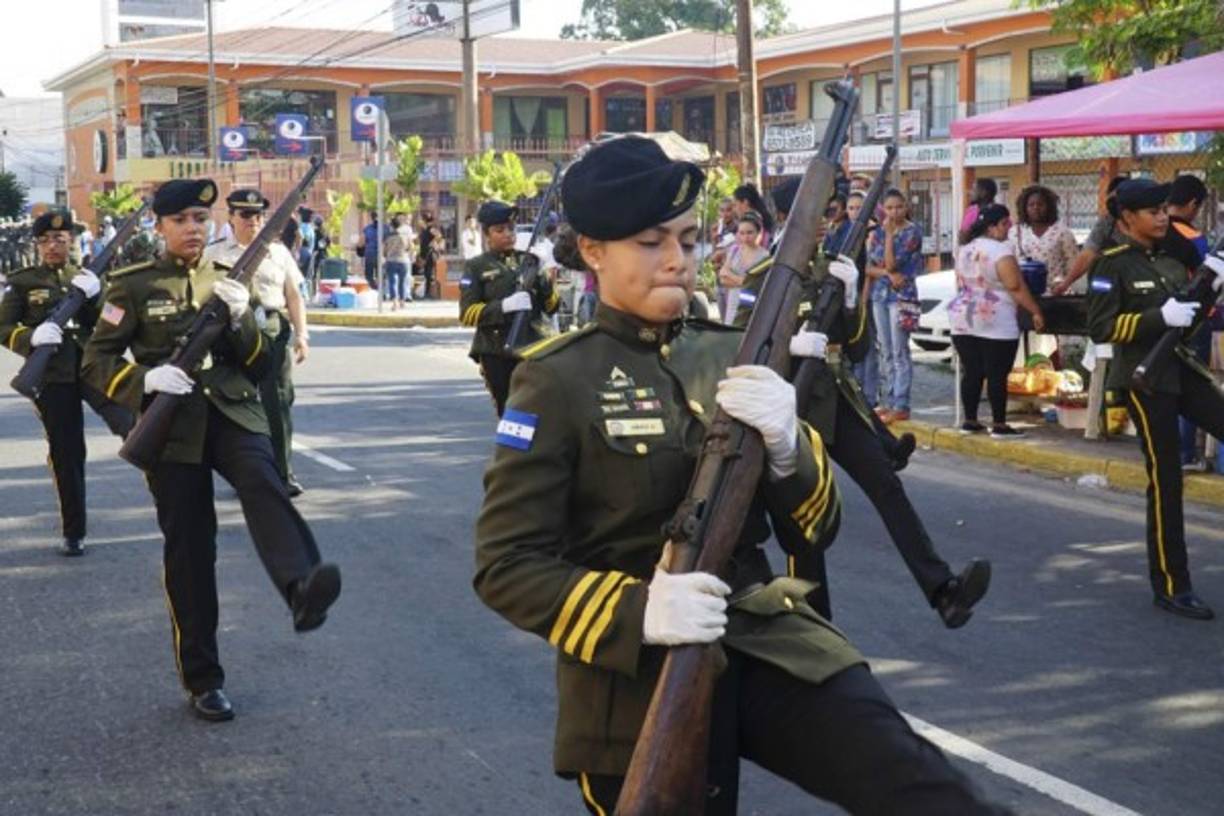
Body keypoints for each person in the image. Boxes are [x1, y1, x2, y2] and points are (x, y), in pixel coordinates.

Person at [473, 136, 1008, 815]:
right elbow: (506, 565)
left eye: (689, 240)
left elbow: (818, 525)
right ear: (592, 251)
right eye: (649, 242)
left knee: (921, 787)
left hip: (761, 632)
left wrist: (790, 448)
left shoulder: (734, 353)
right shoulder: (554, 378)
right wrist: (643, 611)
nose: (676, 260)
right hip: (637, 667)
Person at [82, 179, 341, 720]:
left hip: (229, 411)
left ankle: (300, 584)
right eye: (181, 221)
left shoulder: (228, 280)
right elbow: (96, 360)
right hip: (171, 427)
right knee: (191, 550)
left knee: (263, 478)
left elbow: (257, 364)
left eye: (201, 219)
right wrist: (145, 381)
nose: (193, 229)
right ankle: (204, 679)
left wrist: (245, 317)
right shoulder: (131, 285)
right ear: (161, 226)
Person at [734, 192, 989, 627]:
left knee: (886, 486)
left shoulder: (834, 268)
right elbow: (739, 346)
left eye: (825, 215)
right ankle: (813, 620)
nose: (820, 223)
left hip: (835, 399)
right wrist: (789, 348)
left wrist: (852, 298)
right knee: (806, 518)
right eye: (811, 214)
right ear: (785, 219)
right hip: (790, 405)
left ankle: (942, 589)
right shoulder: (761, 278)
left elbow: (857, 348)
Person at [1086, 179, 1224, 621]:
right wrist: (1156, 316)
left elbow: (1188, 323)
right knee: (1166, 479)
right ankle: (1171, 584)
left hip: (1179, 369)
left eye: (1165, 209)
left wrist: (1209, 292)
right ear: (1127, 219)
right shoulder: (1112, 267)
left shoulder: (1169, 261)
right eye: (1153, 212)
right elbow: (1101, 328)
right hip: (1145, 380)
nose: (1163, 217)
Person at [0, 210, 134, 556]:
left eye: (59, 239)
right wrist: (30, 338)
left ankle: (167, 485)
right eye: (45, 241)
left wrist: (97, 295)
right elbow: (2, 327)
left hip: (91, 367)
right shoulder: (23, 281)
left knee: (131, 420)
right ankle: (74, 531)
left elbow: (112, 320)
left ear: (70, 241)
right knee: (68, 451)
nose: (52, 246)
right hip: (52, 376)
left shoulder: (85, 277)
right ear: (38, 244)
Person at [203, 188, 310, 497]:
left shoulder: (278, 252)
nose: (254, 221)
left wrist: (302, 335)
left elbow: (293, 295)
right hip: (232, 333)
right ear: (232, 217)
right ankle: (245, 472)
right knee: (237, 403)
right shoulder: (215, 253)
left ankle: (282, 472)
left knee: (278, 403)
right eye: (246, 215)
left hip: (273, 329)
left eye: (259, 215)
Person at [950, 204, 1046, 438]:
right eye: (1004, 224)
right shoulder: (1000, 250)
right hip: (995, 315)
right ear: (992, 227)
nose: (1007, 228)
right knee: (997, 372)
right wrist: (1035, 310)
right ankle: (999, 424)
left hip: (963, 313)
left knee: (971, 371)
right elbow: (1015, 285)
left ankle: (970, 420)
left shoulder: (964, 248)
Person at [458, 201, 560, 416]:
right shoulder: (477, 266)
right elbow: (467, 314)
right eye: (499, 230)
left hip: (533, 345)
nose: (508, 234)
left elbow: (552, 307)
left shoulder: (529, 261)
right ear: (487, 235)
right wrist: (504, 306)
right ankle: (515, 450)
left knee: (541, 408)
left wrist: (542, 277)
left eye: (511, 228)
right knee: (510, 409)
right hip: (497, 349)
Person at [1162, 174, 1213, 471]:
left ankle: (1166, 449)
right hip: (1193, 320)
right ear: (1193, 204)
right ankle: (1185, 454)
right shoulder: (1194, 238)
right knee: (1191, 385)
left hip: (1158, 317)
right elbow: (1209, 279)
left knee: (1163, 381)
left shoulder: (1151, 231)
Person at [865, 189, 922, 423]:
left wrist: (889, 237)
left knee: (899, 351)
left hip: (901, 297)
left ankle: (901, 403)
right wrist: (889, 274)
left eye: (898, 207)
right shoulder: (877, 232)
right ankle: (887, 401)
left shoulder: (912, 232)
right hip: (880, 295)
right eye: (889, 208)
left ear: (906, 206)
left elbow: (889, 263)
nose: (894, 212)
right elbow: (870, 267)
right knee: (885, 351)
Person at [1053, 175, 1128, 296]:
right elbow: (1087, 255)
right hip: (1112, 282)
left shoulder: (1149, 221)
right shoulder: (1106, 222)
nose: (1116, 205)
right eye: (1112, 201)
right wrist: (1066, 284)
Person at [1008, 185, 1079, 294]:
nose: (1036, 208)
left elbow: (1073, 264)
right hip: (1024, 293)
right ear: (1024, 208)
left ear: (1049, 206)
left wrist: (1063, 284)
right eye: (1031, 205)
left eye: (1040, 204)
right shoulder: (1015, 232)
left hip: (1055, 294)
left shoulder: (1062, 232)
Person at [716, 212, 769, 325]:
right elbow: (723, 278)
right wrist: (745, 281)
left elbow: (759, 285)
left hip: (752, 305)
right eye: (742, 233)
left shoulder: (765, 256)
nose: (745, 237)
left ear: (759, 232)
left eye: (750, 232)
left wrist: (730, 275)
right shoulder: (735, 251)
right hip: (732, 302)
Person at [382, 214, 413, 309]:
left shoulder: (388, 236)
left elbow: (384, 251)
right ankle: (402, 302)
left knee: (392, 282)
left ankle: (394, 302)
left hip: (391, 260)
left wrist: (386, 255)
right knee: (402, 282)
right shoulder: (405, 236)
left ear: (392, 226)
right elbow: (410, 247)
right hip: (403, 260)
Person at [957, 177, 997, 246]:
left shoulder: (973, 211)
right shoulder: (971, 210)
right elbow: (962, 239)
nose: (970, 192)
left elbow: (962, 238)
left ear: (984, 192)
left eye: (974, 189)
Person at [417, 211, 445, 299]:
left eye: (420, 220)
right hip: (425, 255)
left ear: (424, 221)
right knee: (426, 274)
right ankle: (426, 292)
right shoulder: (424, 230)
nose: (419, 222)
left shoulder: (431, 228)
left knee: (428, 274)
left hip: (430, 254)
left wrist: (432, 242)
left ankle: (428, 293)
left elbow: (440, 236)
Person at [357, 212, 383, 287]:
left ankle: (371, 288)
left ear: (371, 218)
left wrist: (358, 248)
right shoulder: (384, 228)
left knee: (369, 274)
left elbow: (361, 242)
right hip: (381, 253)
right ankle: (380, 289)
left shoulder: (367, 228)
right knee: (380, 274)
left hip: (370, 253)